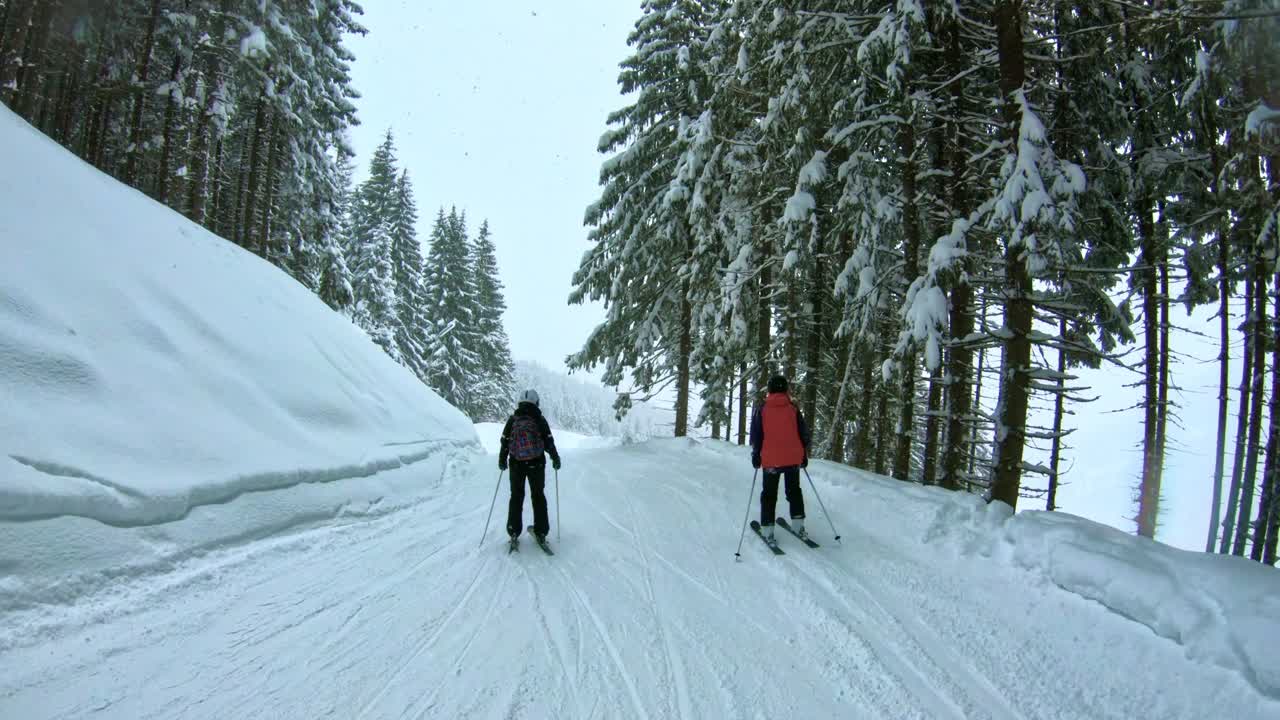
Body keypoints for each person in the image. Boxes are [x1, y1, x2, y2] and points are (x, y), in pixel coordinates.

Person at [749, 374, 811, 541]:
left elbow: (756, 435)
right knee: (794, 491)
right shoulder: (793, 408)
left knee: (769, 494)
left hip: (771, 460)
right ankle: (798, 526)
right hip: (793, 458)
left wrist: (756, 454)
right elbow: (803, 433)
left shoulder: (762, 409)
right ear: (785, 389)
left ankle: (768, 531)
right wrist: (803, 454)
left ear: (769, 389)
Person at [499, 389, 561, 543]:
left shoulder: (513, 419)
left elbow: (505, 440)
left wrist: (502, 459)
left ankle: (513, 531)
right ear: (536, 402)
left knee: (516, 496)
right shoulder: (539, 419)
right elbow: (548, 441)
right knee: (538, 496)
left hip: (516, 464)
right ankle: (541, 531)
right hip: (536, 464)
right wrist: (555, 457)